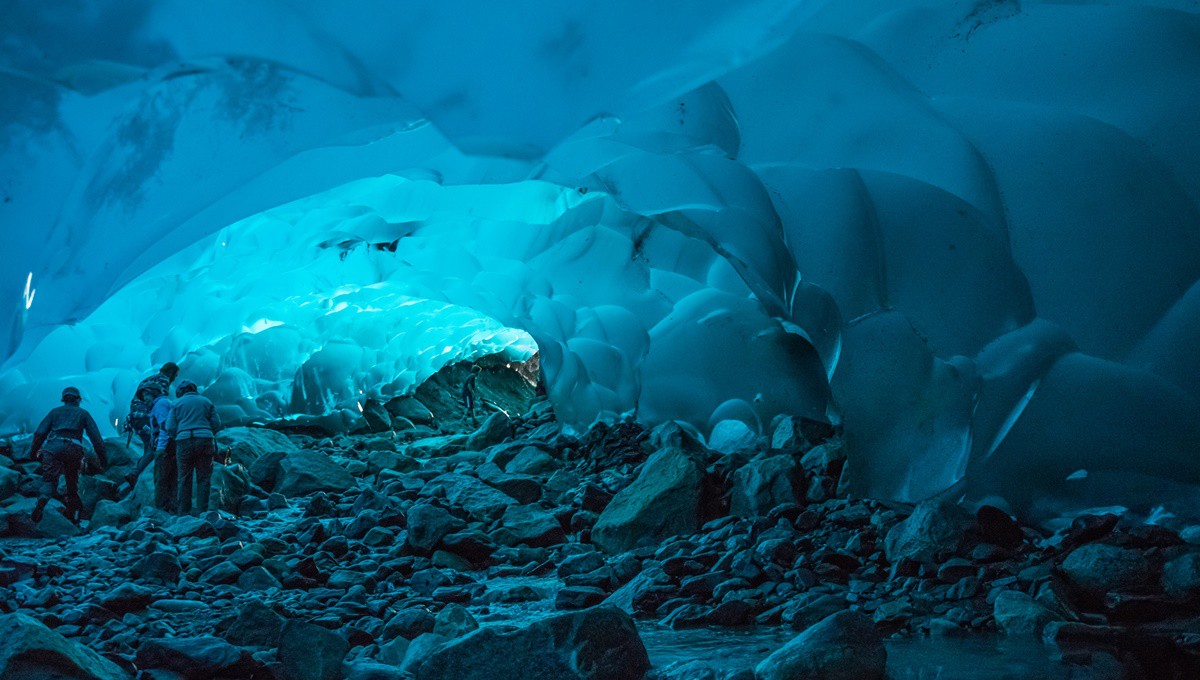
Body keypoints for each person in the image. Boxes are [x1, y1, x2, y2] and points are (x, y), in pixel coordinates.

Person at [29, 387, 107, 524]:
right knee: (72, 482)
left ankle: (42, 500)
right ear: (78, 399)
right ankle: (74, 517)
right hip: (73, 448)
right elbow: (96, 439)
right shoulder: (83, 414)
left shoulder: (54, 412)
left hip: (53, 447)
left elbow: (39, 433)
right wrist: (103, 460)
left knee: (49, 480)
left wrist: (33, 452)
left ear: (63, 399)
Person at [166, 380, 221, 515]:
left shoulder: (176, 404)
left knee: (184, 478)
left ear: (181, 391)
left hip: (183, 441)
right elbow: (217, 423)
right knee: (204, 477)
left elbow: (170, 427)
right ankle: (203, 511)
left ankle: (183, 513)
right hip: (204, 440)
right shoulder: (206, 401)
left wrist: (178, 435)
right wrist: (207, 432)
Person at [125, 362, 179, 468]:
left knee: (147, 445)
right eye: (175, 375)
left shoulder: (149, 379)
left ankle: (138, 472)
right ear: (171, 373)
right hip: (146, 416)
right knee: (153, 447)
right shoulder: (164, 380)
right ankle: (136, 474)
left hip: (135, 416)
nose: (175, 379)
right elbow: (160, 403)